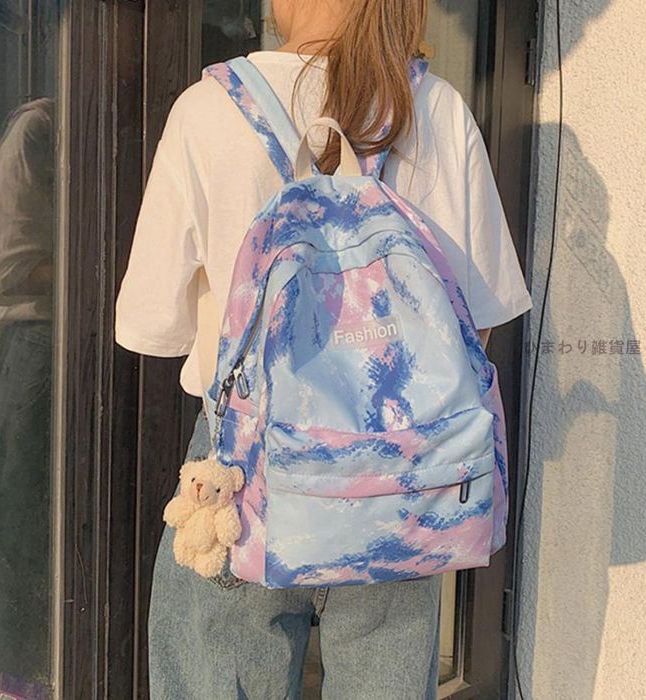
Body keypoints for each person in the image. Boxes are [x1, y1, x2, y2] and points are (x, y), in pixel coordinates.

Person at [115, 1, 533, 697]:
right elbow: (475, 325)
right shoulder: (432, 107)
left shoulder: (208, 109)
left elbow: (152, 325)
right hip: (400, 474)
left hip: (240, 474)